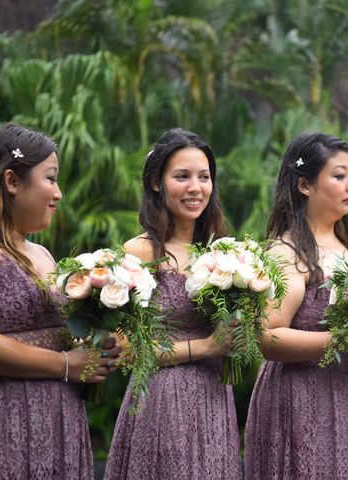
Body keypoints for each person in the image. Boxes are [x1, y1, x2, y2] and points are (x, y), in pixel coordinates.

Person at [244, 132, 348, 479]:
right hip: (304, 400)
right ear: (305, 185)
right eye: (339, 175)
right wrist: (345, 340)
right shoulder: (287, 253)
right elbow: (266, 337)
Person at [0, 123, 119, 479]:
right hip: (1, 415)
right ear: (12, 181)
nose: (59, 193)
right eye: (50, 179)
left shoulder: (43, 253)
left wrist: (97, 345)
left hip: (59, 414)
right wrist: (65, 364)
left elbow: (59, 334)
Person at [104, 128, 241, 479]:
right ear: (155, 182)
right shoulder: (140, 252)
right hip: (160, 402)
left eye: (204, 177)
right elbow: (126, 349)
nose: (196, 188)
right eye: (182, 176)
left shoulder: (224, 252)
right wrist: (208, 346)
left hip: (214, 400)